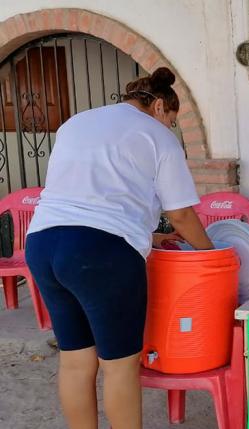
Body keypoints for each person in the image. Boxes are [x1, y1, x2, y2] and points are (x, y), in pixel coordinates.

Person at [25, 68, 214, 429]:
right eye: (172, 121)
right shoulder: (157, 135)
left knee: (76, 360)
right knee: (119, 365)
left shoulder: (77, 122)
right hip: (100, 255)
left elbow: (88, 191)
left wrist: (147, 235)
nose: (171, 128)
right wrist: (209, 252)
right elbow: (181, 215)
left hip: (43, 243)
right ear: (160, 107)